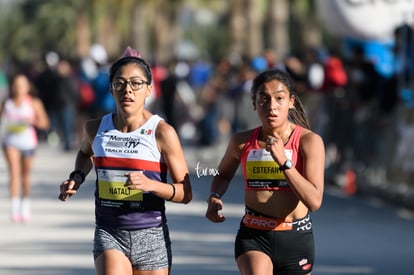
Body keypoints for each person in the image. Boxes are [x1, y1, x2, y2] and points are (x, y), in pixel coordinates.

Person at [58, 46, 192, 275]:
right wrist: (77, 177)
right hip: (109, 232)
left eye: (136, 83)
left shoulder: (162, 132)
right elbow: (84, 154)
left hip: (151, 234)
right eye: (119, 83)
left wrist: (151, 185)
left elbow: (185, 193)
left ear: (149, 89)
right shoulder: (95, 128)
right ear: (111, 89)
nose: (127, 90)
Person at [206, 68, 325, 275]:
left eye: (279, 98)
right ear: (254, 103)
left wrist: (284, 161)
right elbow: (223, 175)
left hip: (295, 235)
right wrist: (215, 195)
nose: (272, 106)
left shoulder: (309, 141)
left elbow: (314, 201)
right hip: (254, 235)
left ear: (291, 102)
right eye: (264, 98)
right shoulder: (241, 142)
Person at [0, 73, 50, 222]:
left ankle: (25, 205)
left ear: (27, 87)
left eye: (21, 85)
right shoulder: (6, 103)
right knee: (14, 173)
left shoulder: (34, 103)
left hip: (28, 143)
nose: (18, 88)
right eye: (16, 85)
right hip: (10, 142)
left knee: (25, 176)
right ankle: (15, 209)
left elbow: (45, 123)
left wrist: (33, 121)